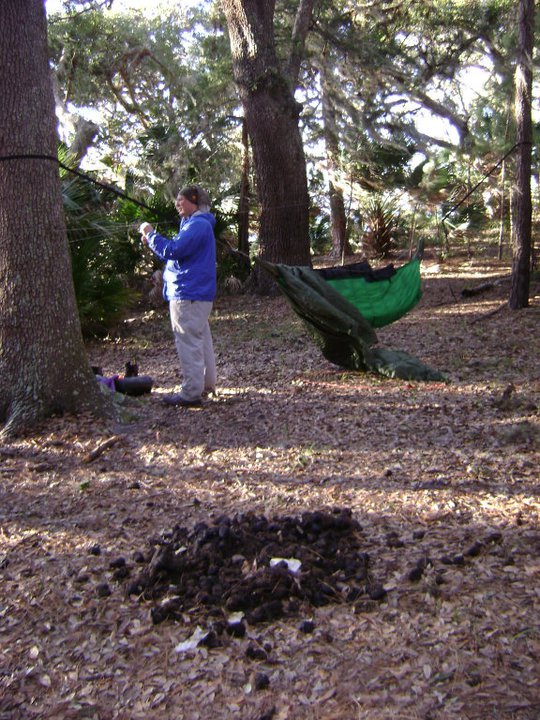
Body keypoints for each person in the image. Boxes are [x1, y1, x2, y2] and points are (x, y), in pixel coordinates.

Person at [139, 185, 217, 407]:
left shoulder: (198, 225)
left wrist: (151, 234)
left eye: (181, 200)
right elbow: (177, 251)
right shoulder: (195, 225)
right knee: (200, 339)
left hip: (188, 293)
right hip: (195, 293)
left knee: (189, 341)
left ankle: (191, 393)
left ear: (195, 201)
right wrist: (153, 241)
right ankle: (206, 385)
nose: (177, 204)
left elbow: (173, 250)